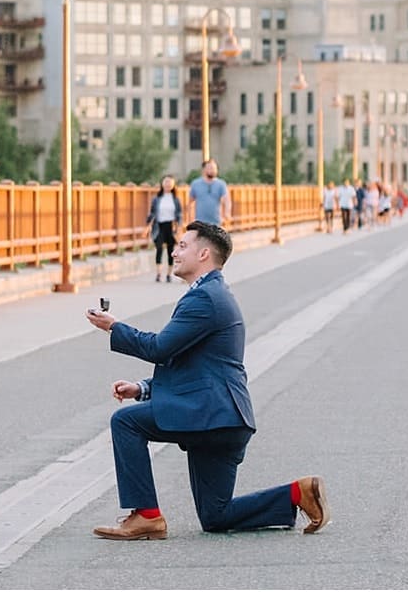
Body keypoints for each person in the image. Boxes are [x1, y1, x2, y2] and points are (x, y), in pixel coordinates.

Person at [86, 222, 328, 539]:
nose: (174, 251)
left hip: (209, 414)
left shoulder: (205, 298)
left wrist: (114, 327)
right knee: (216, 516)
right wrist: (144, 388)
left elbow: (160, 348)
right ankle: (298, 494)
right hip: (224, 418)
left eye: (182, 246)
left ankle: (145, 515)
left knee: (126, 423)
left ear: (203, 253)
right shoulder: (211, 294)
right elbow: (195, 365)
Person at [147, 175, 183, 282]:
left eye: (170, 182)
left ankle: (168, 274)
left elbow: (179, 214)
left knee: (170, 250)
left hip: (171, 226)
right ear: (162, 183)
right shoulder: (157, 199)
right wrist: (148, 224)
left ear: (173, 185)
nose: (167, 184)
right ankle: (158, 273)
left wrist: (179, 226)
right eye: (166, 182)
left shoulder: (176, 199)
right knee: (159, 248)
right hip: (159, 226)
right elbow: (152, 212)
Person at [190, 159, 231, 227]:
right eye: (210, 168)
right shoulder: (195, 184)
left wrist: (227, 212)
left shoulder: (221, 184)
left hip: (216, 222)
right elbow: (190, 203)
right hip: (200, 222)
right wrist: (190, 219)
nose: (213, 170)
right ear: (203, 170)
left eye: (215, 168)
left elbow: (227, 200)